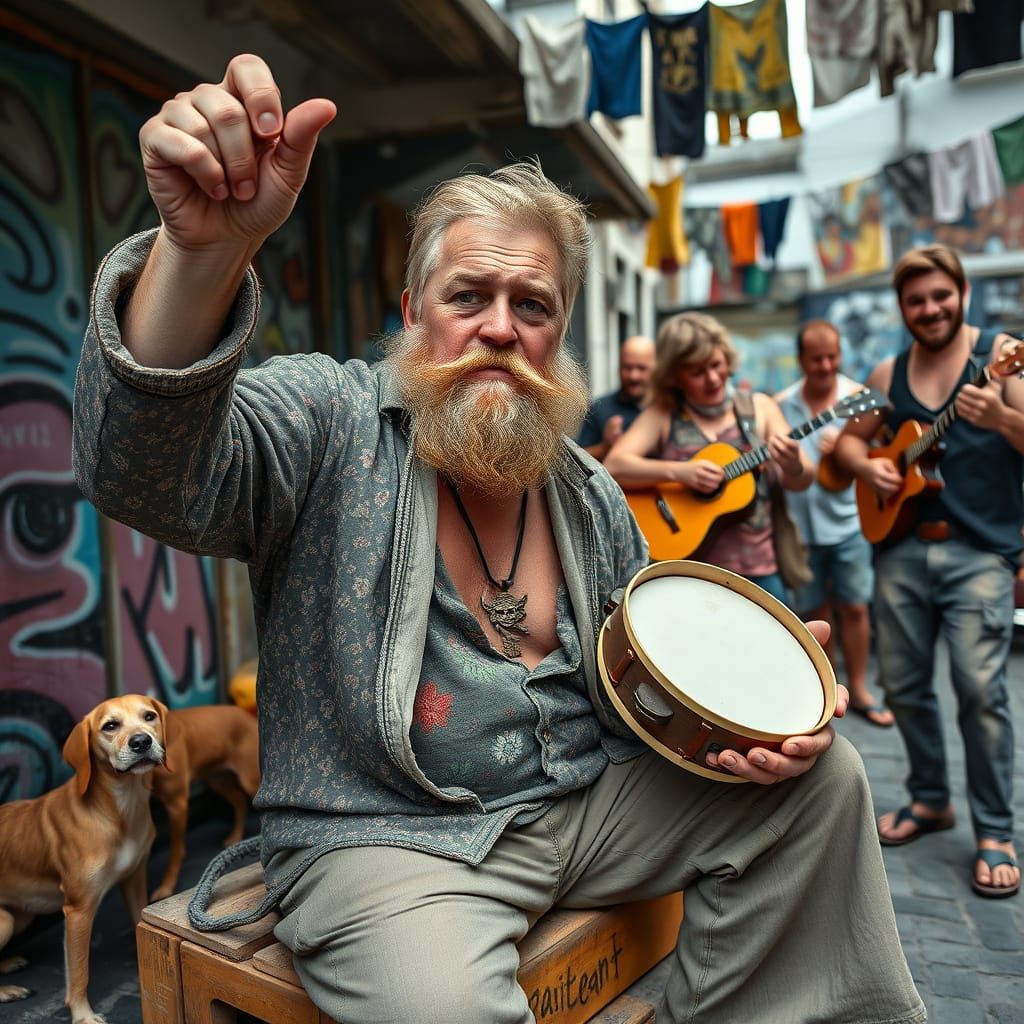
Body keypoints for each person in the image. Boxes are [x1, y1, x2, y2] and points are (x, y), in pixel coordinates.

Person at [72, 55, 925, 1024]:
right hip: (389, 842)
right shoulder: (330, 419)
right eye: (467, 297)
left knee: (824, 787)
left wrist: (748, 710)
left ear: (558, 334)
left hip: (582, 806)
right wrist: (202, 255)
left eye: (532, 306)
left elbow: (637, 690)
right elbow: (136, 471)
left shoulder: (589, 490)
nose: (498, 330)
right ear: (412, 314)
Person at [836, 243, 1022, 900]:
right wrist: (869, 467)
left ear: (961, 292)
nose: (930, 309)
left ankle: (996, 829)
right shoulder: (888, 372)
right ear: (903, 308)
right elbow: (845, 442)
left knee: (980, 689)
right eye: (916, 300)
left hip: (980, 554)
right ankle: (930, 799)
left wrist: (1002, 416)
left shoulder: (1003, 357)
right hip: (901, 549)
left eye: (940, 295)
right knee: (907, 686)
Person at [604, 312, 814, 604]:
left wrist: (793, 465)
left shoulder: (759, 408)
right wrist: (680, 472)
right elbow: (614, 465)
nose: (713, 378)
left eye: (716, 365)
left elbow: (804, 479)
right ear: (676, 377)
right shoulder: (662, 416)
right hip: (690, 576)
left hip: (759, 572)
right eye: (697, 372)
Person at [775, 320, 894, 728]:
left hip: (849, 523)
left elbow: (883, 454)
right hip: (801, 527)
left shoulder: (858, 399)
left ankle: (859, 687)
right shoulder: (782, 403)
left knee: (856, 608)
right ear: (802, 360)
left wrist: (845, 452)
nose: (825, 366)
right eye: (816, 358)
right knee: (815, 612)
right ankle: (828, 689)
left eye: (832, 357)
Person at [577, 335, 655, 460]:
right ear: (618, 367)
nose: (633, 376)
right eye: (627, 368)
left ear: (656, 369)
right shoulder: (599, 408)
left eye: (642, 368)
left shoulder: (668, 406)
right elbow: (578, 459)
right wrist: (605, 447)